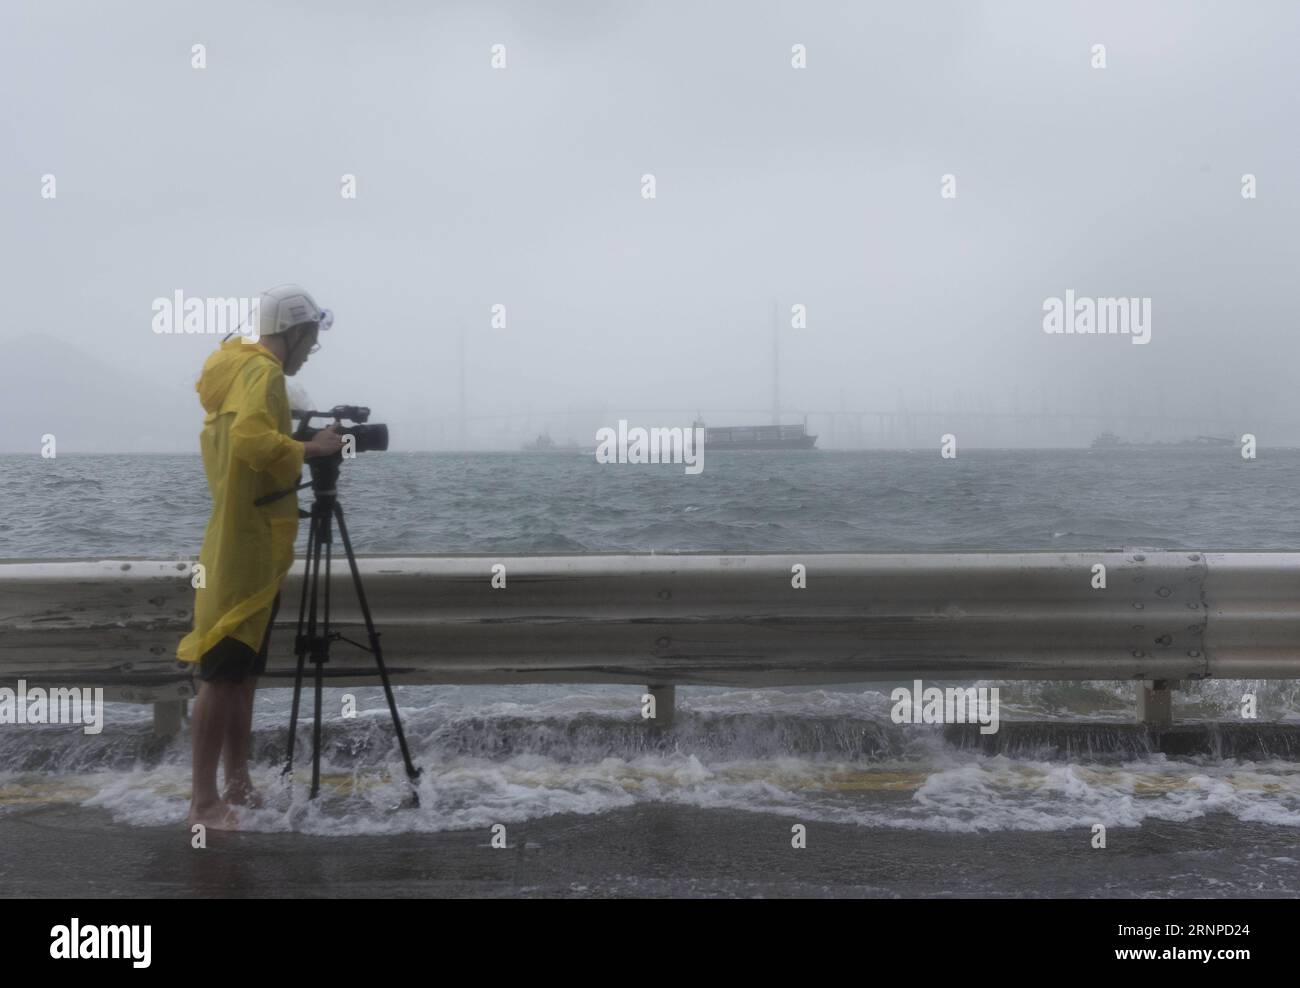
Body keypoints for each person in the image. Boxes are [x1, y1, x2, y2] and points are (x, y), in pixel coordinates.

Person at [176, 284, 344, 830]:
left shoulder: (237, 373)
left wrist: (292, 442)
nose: (309, 351)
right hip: (244, 546)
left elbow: (246, 445)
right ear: (294, 333)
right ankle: (204, 804)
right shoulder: (264, 373)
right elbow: (251, 440)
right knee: (223, 675)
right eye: (310, 340)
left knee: (241, 675)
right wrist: (310, 448)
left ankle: (239, 785)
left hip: (241, 536)